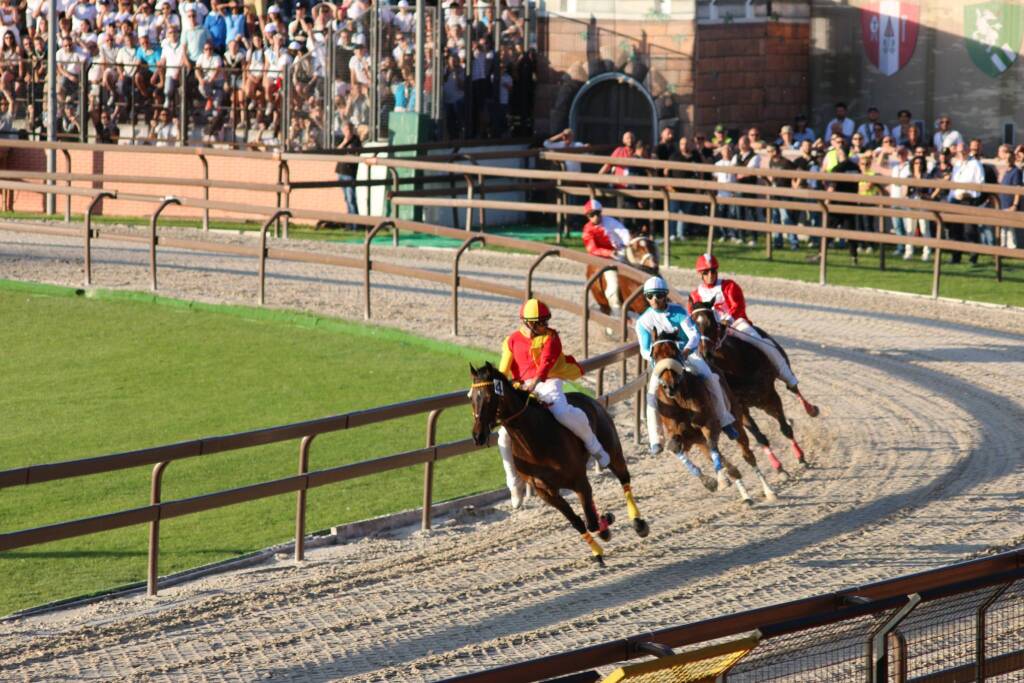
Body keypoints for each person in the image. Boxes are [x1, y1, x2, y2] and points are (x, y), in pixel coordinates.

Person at [496, 299, 611, 508]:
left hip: (548, 380)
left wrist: (536, 382)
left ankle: (596, 447)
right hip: (522, 387)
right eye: (540, 323)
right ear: (528, 323)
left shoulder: (551, 337)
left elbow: (547, 362)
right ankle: (513, 482)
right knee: (504, 434)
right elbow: (503, 370)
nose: (545, 326)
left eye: (546, 321)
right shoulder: (511, 340)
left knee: (561, 412)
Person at [635, 275, 738, 455]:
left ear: (665, 295)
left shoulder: (679, 312)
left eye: (658, 295)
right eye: (650, 296)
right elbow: (644, 349)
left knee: (711, 379)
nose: (654, 300)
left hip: (685, 355)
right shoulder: (643, 321)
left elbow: (694, 335)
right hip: (661, 361)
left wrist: (686, 351)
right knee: (651, 395)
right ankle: (655, 439)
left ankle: (725, 419)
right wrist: (656, 359)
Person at [689, 253, 807, 399]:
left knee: (764, 344)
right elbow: (693, 316)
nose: (710, 274)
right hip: (711, 333)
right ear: (700, 274)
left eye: (713, 270)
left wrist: (728, 320)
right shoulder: (695, 295)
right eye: (706, 272)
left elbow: (738, 306)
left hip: (735, 325)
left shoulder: (729, 286)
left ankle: (789, 378)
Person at [581, 198, 630, 313]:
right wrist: (610, 253)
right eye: (592, 215)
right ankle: (616, 311)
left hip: (620, 253)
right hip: (606, 261)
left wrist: (626, 244)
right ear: (587, 216)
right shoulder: (587, 230)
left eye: (597, 213)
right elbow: (592, 249)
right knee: (612, 286)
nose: (596, 217)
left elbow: (623, 232)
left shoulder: (609, 221)